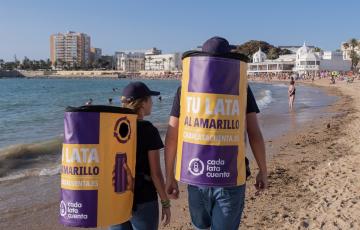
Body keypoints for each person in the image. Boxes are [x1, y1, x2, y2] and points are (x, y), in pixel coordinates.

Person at [164, 37, 268, 230]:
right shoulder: (241, 86)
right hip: (231, 175)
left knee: (200, 227)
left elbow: (172, 136)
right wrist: (263, 170)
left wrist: (169, 175)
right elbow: (254, 132)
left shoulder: (185, 89)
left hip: (196, 175)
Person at [109, 82, 171, 230]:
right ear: (143, 103)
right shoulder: (149, 131)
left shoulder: (112, 128)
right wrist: (165, 203)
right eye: (150, 99)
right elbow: (156, 174)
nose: (152, 103)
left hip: (116, 197)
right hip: (144, 199)